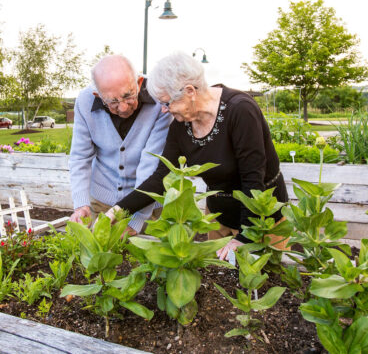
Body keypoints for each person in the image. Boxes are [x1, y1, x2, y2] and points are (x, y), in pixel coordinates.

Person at [112, 52, 288, 258]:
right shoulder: (181, 124)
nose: (163, 110)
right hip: (219, 216)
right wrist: (117, 210)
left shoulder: (240, 110)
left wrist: (245, 237)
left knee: (264, 281)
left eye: (167, 102)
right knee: (219, 281)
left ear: (189, 91)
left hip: (262, 218)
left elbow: (252, 179)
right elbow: (162, 177)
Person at [68, 54, 172, 235]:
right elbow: (80, 157)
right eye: (113, 101)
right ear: (98, 96)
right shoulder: (85, 102)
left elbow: (151, 166)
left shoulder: (160, 103)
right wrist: (81, 205)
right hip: (102, 202)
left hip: (147, 207)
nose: (123, 107)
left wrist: (136, 220)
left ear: (139, 82)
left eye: (128, 96)